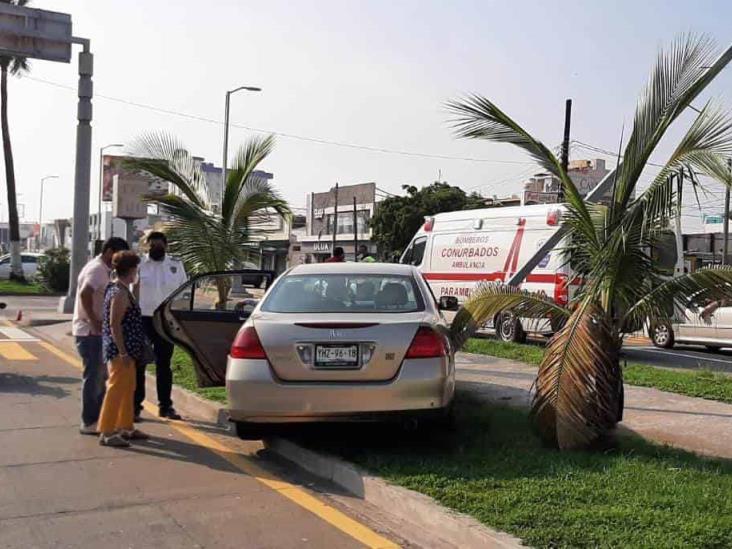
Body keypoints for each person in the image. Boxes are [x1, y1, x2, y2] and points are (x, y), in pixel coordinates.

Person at [73, 237, 129, 435]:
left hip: (97, 332)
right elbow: (85, 294)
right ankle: (89, 422)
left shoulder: (105, 270)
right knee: (95, 378)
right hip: (90, 332)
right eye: (118, 254)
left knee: (101, 376)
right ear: (109, 251)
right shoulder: (97, 269)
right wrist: (94, 320)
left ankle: (100, 420)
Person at [133, 231, 187, 421]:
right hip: (143, 319)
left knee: (164, 364)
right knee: (139, 364)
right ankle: (135, 406)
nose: (156, 248)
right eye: (152, 245)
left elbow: (183, 291)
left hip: (165, 320)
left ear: (166, 245)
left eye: (159, 245)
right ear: (146, 246)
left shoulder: (176, 265)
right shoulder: (138, 265)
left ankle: (165, 407)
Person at [98, 251, 149, 447]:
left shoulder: (122, 289)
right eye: (136, 268)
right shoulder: (118, 293)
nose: (137, 271)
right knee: (116, 389)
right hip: (121, 351)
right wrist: (123, 352)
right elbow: (114, 324)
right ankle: (107, 431)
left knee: (128, 388)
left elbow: (133, 305)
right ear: (130, 270)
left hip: (128, 349)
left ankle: (125, 427)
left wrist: (137, 286)